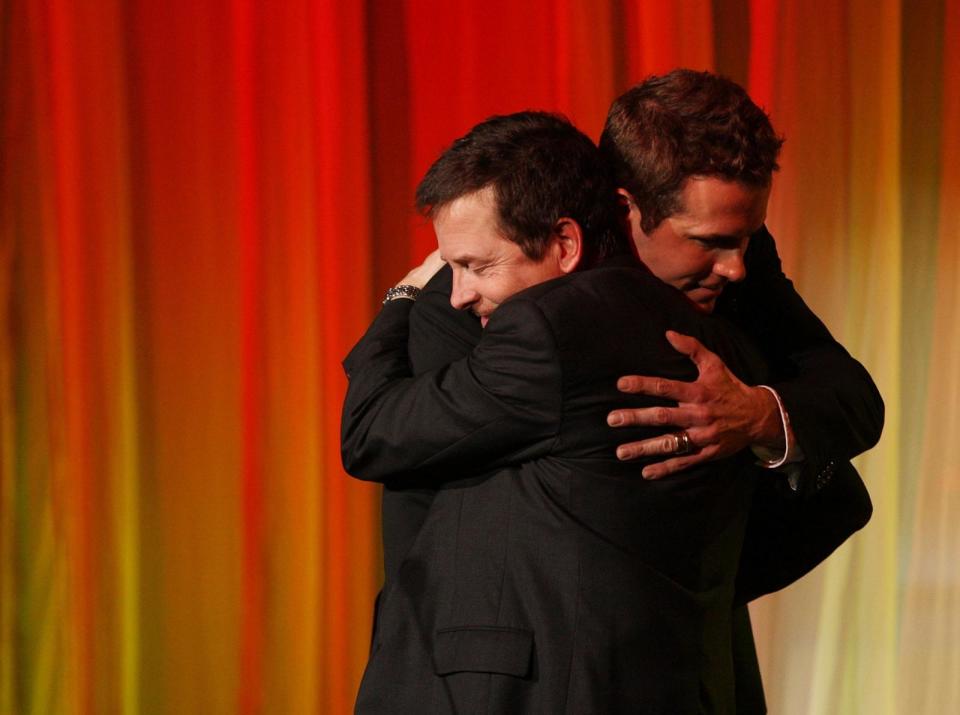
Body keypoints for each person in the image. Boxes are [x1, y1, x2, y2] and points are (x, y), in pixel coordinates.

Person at [343, 111, 781, 713]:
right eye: (451, 267)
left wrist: (401, 296)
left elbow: (370, 433)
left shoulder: (544, 327)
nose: (459, 292)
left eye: (475, 265)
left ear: (566, 244)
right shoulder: (725, 346)